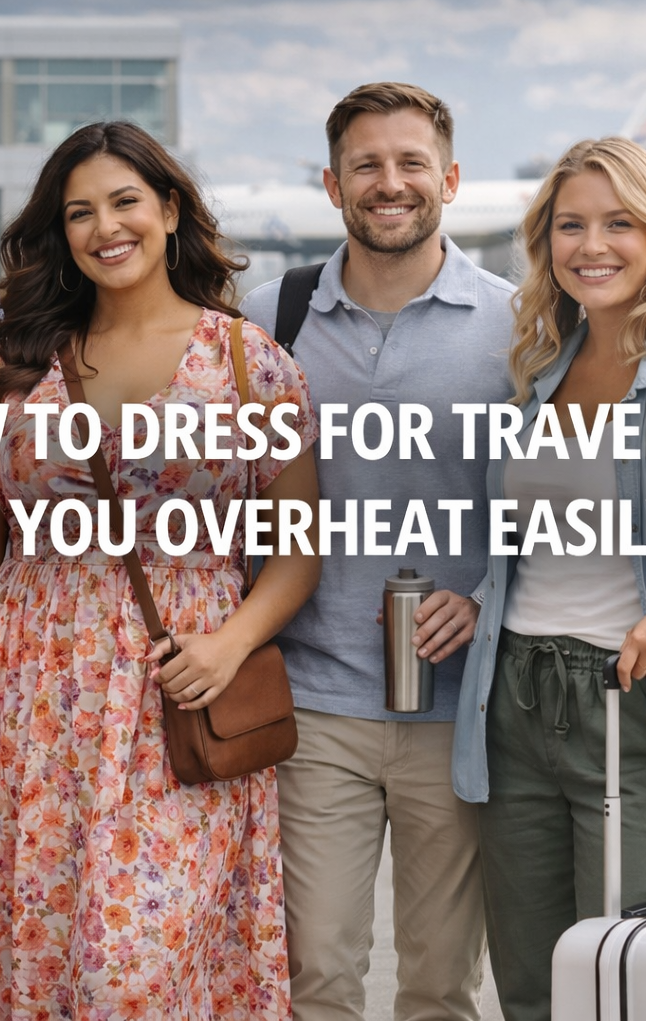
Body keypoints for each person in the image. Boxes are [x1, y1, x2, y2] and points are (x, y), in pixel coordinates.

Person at [0, 119, 321, 1020]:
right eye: (80, 212)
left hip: (179, 700)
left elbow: (298, 548)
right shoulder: (12, 366)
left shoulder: (248, 362)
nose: (105, 228)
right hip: (26, 700)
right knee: (33, 946)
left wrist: (229, 643)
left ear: (168, 210)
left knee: (136, 976)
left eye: (125, 201)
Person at [453, 136, 646, 1021]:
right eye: (570, 225)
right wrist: (476, 599)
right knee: (534, 987)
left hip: (638, 699)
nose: (593, 245)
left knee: (638, 984)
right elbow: (540, 543)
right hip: (512, 697)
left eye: (619, 223)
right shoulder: (536, 370)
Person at [240, 81, 514, 1021]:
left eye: (410, 163)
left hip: (459, 712)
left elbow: (551, 508)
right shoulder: (268, 319)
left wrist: (484, 593)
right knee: (315, 974)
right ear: (333, 184)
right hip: (314, 703)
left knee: (440, 984)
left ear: (451, 179)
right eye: (366, 165)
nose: (389, 183)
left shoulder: (520, 327)